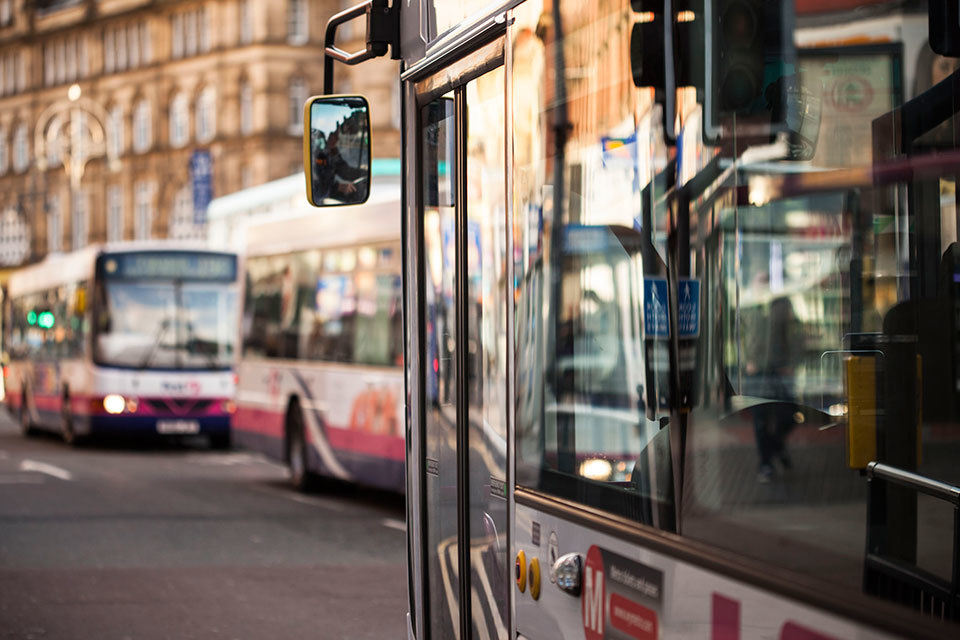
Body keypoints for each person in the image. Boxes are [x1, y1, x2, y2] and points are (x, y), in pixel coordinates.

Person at [312, 130, 367, 203]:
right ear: (328, 136)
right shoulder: (318, 155)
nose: (336, 140)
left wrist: (364, 173)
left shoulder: (332, 153)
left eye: (337, 137)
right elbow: (317, 190)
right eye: (334, 136)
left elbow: (344, 171)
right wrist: (337, 187)